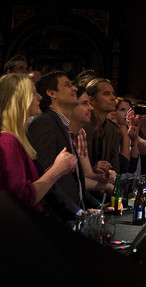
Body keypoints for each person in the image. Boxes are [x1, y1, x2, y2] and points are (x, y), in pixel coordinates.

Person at [0, 73, 77, 213]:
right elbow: (20, 197)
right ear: (18, 100)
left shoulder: (15, 138)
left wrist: (60, 168)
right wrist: (56, 171)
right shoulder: (5, 141)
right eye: (33, 94)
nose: (40, 97)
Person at [27, 71, 99, 221]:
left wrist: (97, 206)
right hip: (55, 220)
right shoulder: (45, 123)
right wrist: (77, 213)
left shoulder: (62, 124)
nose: (74, 88)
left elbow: (75, 182)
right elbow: (47, 178)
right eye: (67, 85)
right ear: (52, 93)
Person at [69, 87, 116, 197]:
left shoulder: (81, 133)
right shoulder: (59, 131)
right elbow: (68, 181)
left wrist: (101, 177)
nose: (91, 108)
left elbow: (87, 174)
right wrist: (105, 186)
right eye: (85, 103)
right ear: (71, 106)